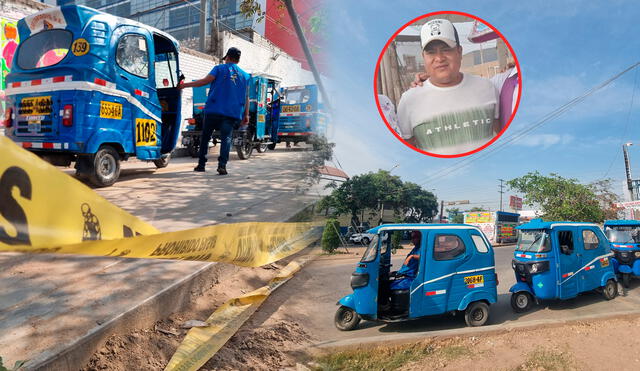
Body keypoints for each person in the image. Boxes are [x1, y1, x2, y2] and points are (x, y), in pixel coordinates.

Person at [396, 19, 499, 155]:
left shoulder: (487, 87)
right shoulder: (408, 100)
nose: (439, 58)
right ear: (423, 57)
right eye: (431, 52)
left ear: (459, 51)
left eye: (446, 49)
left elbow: (499, 133)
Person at [178, 47, 250, 175]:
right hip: (231, 113)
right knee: (226, 138)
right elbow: (246, 97)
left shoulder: (219, 68)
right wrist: (246, 115)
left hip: (213, 110)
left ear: (227, 57)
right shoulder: (245, 76)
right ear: (238, 60)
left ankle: (201, 165)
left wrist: (184, 85)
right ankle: (222, 166)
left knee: (205, 137)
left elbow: (205, 81)